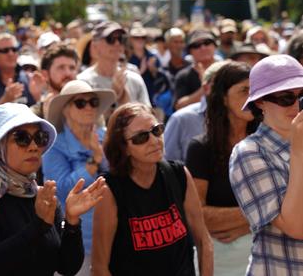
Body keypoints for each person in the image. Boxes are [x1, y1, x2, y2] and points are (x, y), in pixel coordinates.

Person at [0, 102, 106, 276]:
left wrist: (72, 222)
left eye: (40, 137)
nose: (34, 146)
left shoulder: (43, 196)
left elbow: (67, 267)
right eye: (22, 138)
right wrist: (39, 225)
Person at [91, 102, 213, 276]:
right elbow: (99, 267)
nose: (154, 141)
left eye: (156, 130)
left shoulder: (179, 174)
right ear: (123, 148)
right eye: (141, 137)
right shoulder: (110, 189)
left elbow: (203, 240)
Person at [229, 54, 303, 275]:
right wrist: (299, 152)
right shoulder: (249, 153)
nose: (297, 105)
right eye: (285, 98)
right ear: (261, 102)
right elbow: (296, 227)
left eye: (302, 96)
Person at [185, 61, 256, 275]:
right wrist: (260, 216)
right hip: (218, 258)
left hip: (264, 253)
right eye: (244, 90)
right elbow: (199, 216)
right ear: (223, 98)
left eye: (255, 91)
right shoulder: (201, 148)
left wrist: (247, 223)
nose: (252, 97)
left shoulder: (267, 142)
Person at [42, 80, 115, 274]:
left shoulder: (104, 135)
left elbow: (116, 177)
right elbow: (61, 190)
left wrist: (99, 152)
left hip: (112, 233)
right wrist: (94, 159)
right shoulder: (54, 145)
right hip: (77, 237)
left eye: (93, 102)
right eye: (80, 103)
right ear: (65, 110)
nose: (89, 107)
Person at [164, 61, 227, 162]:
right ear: (206, 87)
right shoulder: (181, 119)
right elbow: (168, 161)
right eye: (223, 84)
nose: (227, 90)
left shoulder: (245, 116)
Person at [77, 22, 150, 108]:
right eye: (110, 39)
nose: (117, 43)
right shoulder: (83, 82)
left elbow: (148, 117)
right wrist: (112, 99)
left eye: (121, 39)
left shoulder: (135, 79)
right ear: (94, 46)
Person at [174, 30, 217, 110]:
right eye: (196, 45)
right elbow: (179, 106)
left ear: (215, 46)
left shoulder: (226, 70)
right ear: (190, 51)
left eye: (207, 43)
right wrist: (205, 88)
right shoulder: (183, 75)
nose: (203, 47)